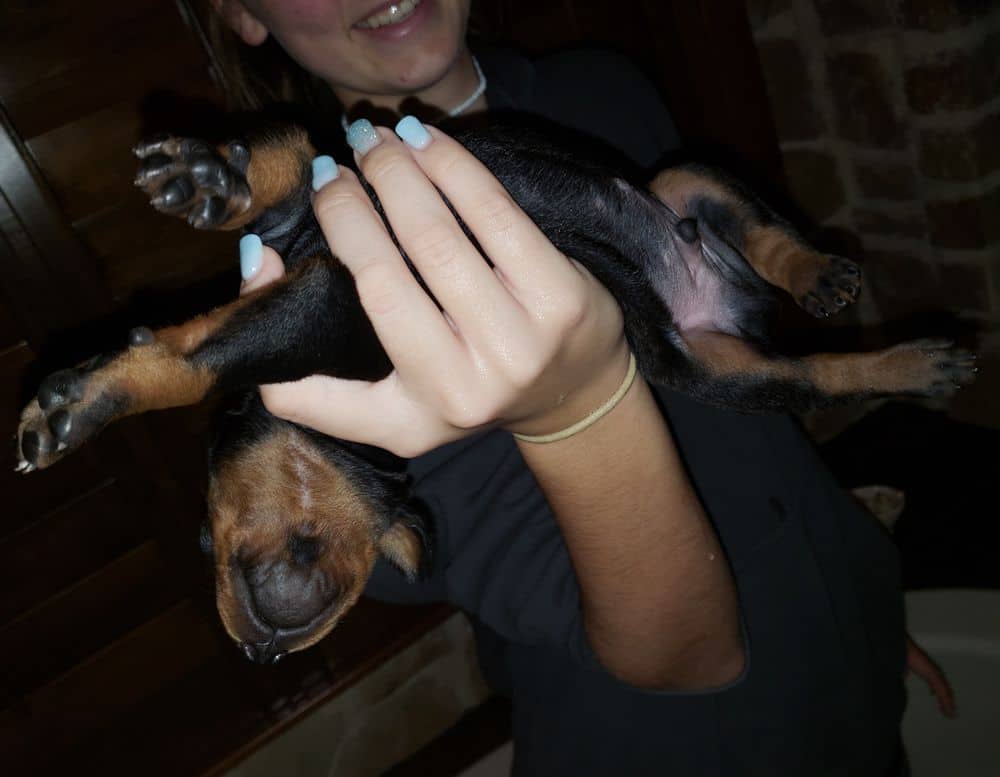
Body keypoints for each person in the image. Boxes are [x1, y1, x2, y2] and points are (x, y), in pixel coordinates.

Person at [206, 1, 921, 773]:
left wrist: (847, 599)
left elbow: (747, 417)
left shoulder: (601, 90)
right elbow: (683, 654)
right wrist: (576, 409)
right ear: (243, 15)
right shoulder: (316, 298)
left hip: (851, 667)